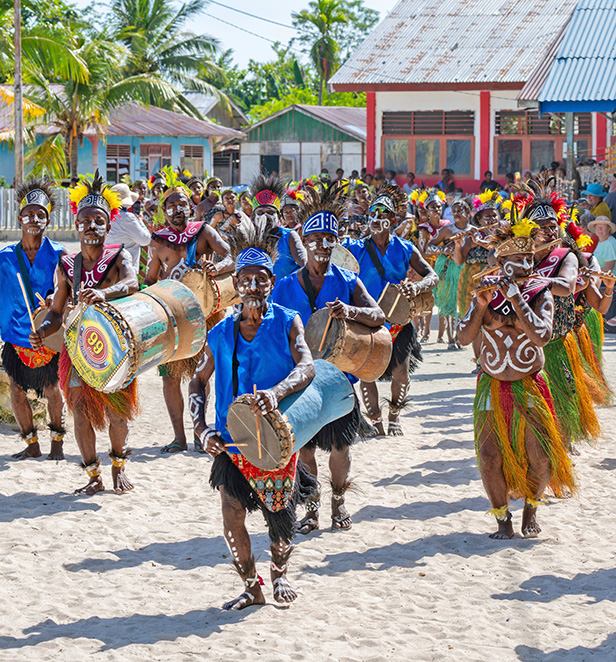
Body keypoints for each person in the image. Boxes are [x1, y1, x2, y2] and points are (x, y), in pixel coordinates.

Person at [190, 219, 317, 610]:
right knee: (232, 515)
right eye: (245, 280)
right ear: (236, 285)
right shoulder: (220, 331)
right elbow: (198, 381)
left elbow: (307, 366)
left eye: (261, 279)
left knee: (279, 519)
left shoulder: (287, 321)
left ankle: (279, 576)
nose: (253, 287)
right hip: (233, 442)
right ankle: (251, 584)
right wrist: (200, 428)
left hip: (276, 439)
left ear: (271, 283)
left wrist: (277, 394)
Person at [273, 182, 385, 533]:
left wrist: (351, 311)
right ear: (303, 242)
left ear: (336, 243)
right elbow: (274, 328)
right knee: (304, 449)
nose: (323, 245)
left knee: (339, 446)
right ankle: (313, 508)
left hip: (339, 377)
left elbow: (379, 316)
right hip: (301, 377)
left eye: (329, 239)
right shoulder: (285, 284)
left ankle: (338, 502)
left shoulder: (348, 279)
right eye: (316, 239)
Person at [458, 215, 575, 539]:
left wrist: (517, 298)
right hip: (490, 382)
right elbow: (463, 338)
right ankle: (502, 520)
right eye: (516, 260)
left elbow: (541, 336)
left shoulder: (540, 292)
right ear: (500, 262)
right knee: (488, 455)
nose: (524, 265)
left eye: (528, 258)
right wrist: (481, 307)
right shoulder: (483, 292)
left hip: (529, 383)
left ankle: (531, 510)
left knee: (539, 454)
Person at [31, 171, 139, 494]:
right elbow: (56, 312)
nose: (92, 226)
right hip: (78, 353)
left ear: (109, 225)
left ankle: (118, 466)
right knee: (79, 414)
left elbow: (133, 284)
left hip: (115, 351)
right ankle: (94, 477)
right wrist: (42, 331)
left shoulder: (120, 257)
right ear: (77, 224)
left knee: (117, 415)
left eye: (99, 221)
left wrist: (108, 292)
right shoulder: (67, 265)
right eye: (86, 220)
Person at [144, 168, 232, 454]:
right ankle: (179, 437)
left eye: (182, 204)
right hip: (171, 317)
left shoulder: (204, 232)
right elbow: (148, 281)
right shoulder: (157, 241)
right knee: (170, 377)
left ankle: (200, 432)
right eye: (171, 205)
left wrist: (216, 267)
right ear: (164, 211)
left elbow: (231, 255)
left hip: (205, 313)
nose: (178, 209)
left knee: (201, 374)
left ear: (190, 207)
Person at [343, 185, 437, 435]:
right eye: (373, 212)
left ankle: (394, 415)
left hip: (398, 320)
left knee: (401, 374)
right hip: (367, 319)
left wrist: (416, 288)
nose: (376, 217)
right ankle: (376, 422)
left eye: (383, 213)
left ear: (393, 220)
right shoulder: (354, 247)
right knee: (367, 374)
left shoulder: (405, 248)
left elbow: (432, 275)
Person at [0, 178, 66, 460]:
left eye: (40, 214)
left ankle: (57, 445)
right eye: (29, 214)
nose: (34, 219)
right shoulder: (4, 257)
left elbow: (67, 290)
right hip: (16, 336)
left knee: (52, 389)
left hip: (47, 334)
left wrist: (55, 300)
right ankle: (31, 445)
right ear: (19, 218)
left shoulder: (59, 254)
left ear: (47, 220)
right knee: (16, 390)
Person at [428, 198, 472, 349]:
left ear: (468, 213)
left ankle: (460, 337)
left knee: (463, 304)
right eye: (454, 211)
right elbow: (429, 247)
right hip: (448, 268)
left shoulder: (473, 230)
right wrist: (442, 250)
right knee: (449, 305)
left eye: (460, 211)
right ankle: (451, 339)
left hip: (466, 268)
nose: (457, 213)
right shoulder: (446, 231)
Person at [250, 174, 306, 288]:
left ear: (279, 216)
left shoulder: (289, 236)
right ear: (253, 217)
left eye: (270, 213)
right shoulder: (249, 238)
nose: (265, 217)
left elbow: (306, 265)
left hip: (287, 298)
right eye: (260, 213)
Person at [416, 188, 450, 343]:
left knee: (445, 300)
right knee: (430, 300)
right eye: (433, 208)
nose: (436, 210)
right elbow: (423, 252)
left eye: (438, 207)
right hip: (430, 268)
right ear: (427, 211)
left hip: (446, 268)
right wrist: (442, 251)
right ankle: (427, 332)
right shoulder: (424, 229)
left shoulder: (448, 225)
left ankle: (442, 335)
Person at [107, 183, 151, 269]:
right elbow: (145, 240)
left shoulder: (106, 217)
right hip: (127, 269)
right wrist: (140, 221)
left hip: (108, 267)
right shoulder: (128, 218)